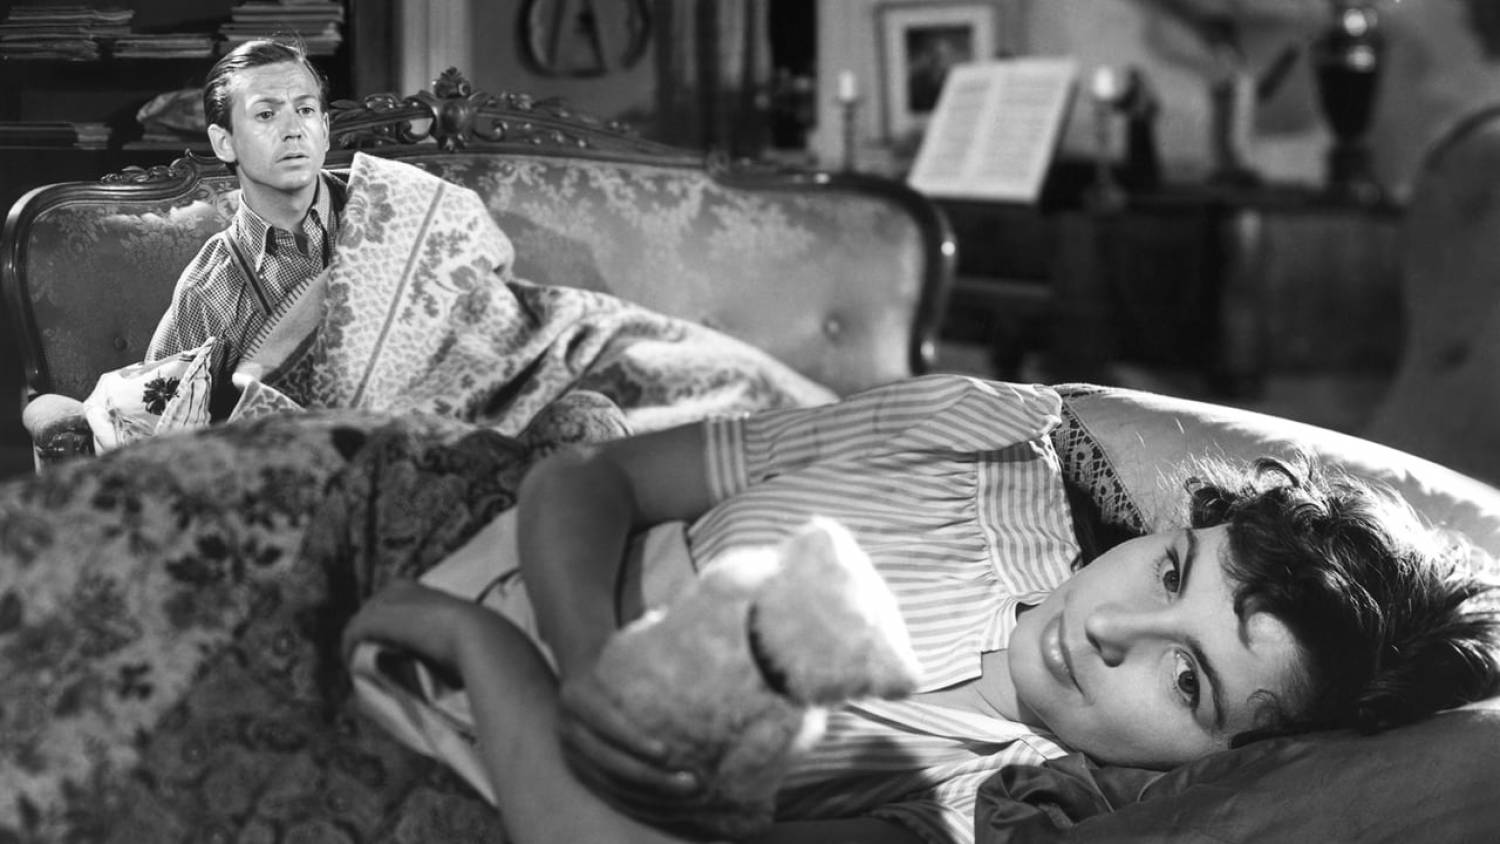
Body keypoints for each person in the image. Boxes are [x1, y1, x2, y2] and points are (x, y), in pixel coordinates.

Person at [344, 375, 1500, 844]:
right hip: (458, 518)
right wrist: (591, 655)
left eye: (1188, 679)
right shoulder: (984, 441)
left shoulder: (973, 804)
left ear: (1225, 759)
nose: (1110, 632)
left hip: (439, 706)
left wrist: (485, 648)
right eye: (1168, 572)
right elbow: (592, 479)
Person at [145, 38, 341, 363]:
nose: (293, 130)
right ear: (224, 142)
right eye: (266, 114)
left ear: (324, 129)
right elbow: (161, 394)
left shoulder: (391, 208)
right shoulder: (207, 291)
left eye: (305, 110)